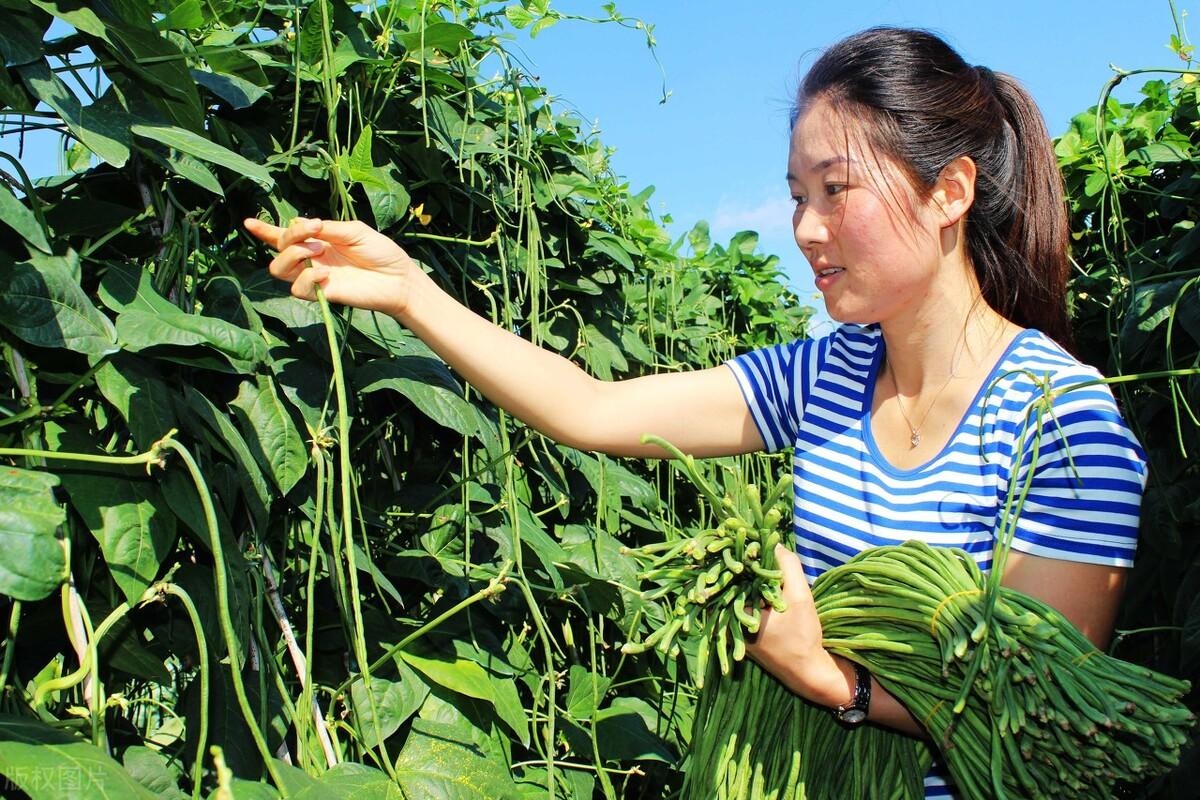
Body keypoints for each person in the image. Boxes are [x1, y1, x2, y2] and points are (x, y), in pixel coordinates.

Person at [245, 26, 1146, 797]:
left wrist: (828, 678)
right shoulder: (824, 377)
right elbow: (593, 408)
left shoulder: (1062, 425)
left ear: (947, 192)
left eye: (836, 190)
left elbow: (1037, 722)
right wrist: (413, 292)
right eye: (798, 195)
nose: (806, 228)